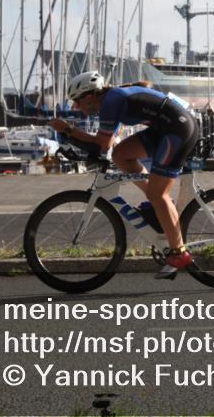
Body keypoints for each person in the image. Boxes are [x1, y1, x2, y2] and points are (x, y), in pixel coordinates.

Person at [49, 71, 200, 278]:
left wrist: (68, 130)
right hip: (164, 128)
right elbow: (110, 148)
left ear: (90, 97)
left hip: (178, 131)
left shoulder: (111, 102)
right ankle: (161, 209)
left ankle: (179, 252)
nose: (76, 107)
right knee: (121, 155)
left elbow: (103, 144)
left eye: (77, 102)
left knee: (158, 195)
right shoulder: (110, 99)